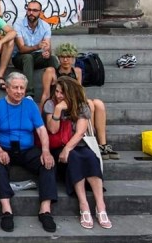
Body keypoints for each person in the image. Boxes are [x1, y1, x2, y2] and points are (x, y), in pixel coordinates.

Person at [0, 72, 58, 233]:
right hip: (5, 148)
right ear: (7, 88)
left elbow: (41, 130)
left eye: (22, 88)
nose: (19, 91)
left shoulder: (31, 105)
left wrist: (46, 151)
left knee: (48, 164)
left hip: (27, 150)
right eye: (15, 87)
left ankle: (45, 210)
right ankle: (6, 210)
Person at [43, 76, 112, 229]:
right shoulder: (50, 104)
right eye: (57, 91)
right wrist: (58, 109)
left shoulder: (82, 105)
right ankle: (84, 204)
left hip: (77, 144)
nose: (58, 95)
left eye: (62, 92)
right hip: (57, 147)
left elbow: (80, 132)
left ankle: (100, 205)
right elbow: (52, 129)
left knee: (90, 157)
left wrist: (68, 148)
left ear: (71, 93)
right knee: (75, 158)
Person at [39, 43, 119, 160]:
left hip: (73, 103)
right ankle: (90, 138)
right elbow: (45, 94)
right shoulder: (51, 71)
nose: (66, 60)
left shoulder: (77, 71)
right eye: (62, 56)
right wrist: (41, 116)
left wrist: (82, 102)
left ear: (74, 58)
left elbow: (80, 92)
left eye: (69, 57)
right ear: (58, 57)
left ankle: (102, 144)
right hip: (58, 103)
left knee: (98, 104)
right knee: (90, 104)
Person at [12, 0, 59, 98]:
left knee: (53, 59)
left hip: (37, 56)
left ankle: (59, 91)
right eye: (29, 10)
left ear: (40, 12)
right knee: (28, 57)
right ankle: (29, 94)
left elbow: (47, 46)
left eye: (34, 10)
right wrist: (37, 46)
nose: (31, 13)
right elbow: (21, 48)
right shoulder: (18, 24)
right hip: (20, 57)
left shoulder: (45, 26)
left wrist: (47, 53)